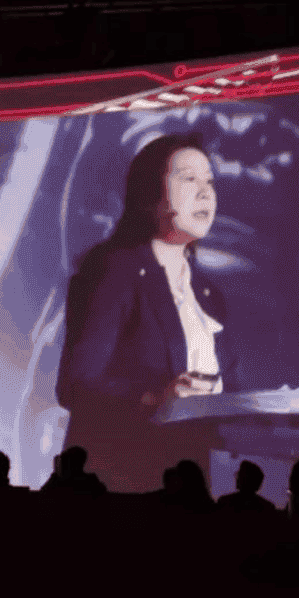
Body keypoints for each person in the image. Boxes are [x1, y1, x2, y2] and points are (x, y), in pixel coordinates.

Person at [55, 134, 241, 492]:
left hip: (186, 484)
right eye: (189, 179)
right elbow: (76, 385)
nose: (205, 193)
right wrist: (154, 399)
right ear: (149, 194)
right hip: (119, 483)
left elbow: (229, 387)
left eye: (210, 182)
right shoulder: (113, 270)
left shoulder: (209, 295)